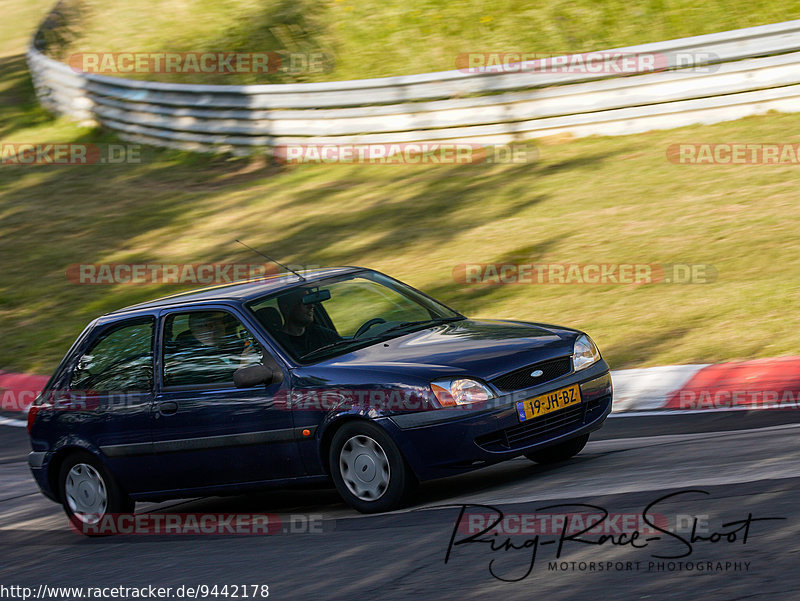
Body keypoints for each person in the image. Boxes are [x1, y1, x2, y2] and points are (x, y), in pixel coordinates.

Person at [274, 289, 340, 358]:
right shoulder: (278, 346)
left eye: (310, 300)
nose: (311, 306)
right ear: (286, 308)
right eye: (305, 301)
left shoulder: (325, 335)